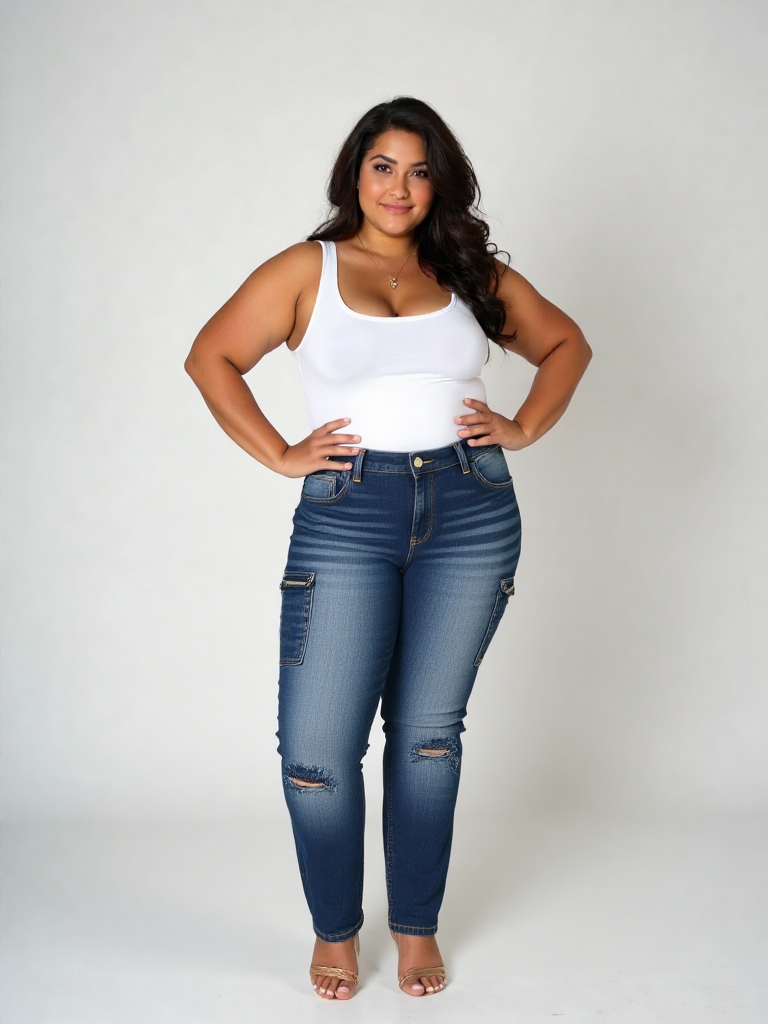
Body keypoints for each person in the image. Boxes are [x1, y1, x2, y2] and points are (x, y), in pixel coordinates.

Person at [185, 96, 591, 1001]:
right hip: (349, 512)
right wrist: (281, 453)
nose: (399, 187)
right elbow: (211, 356)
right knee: (317, 752)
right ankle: (336, 928)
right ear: (355, 175)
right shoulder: (309, 269)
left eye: (418, 170)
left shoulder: (468, 272)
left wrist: (523, 425)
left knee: (427, 739)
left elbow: (567, 343)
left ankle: (416, 927)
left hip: (471, 509)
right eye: (382, 167)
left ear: (438, 183)